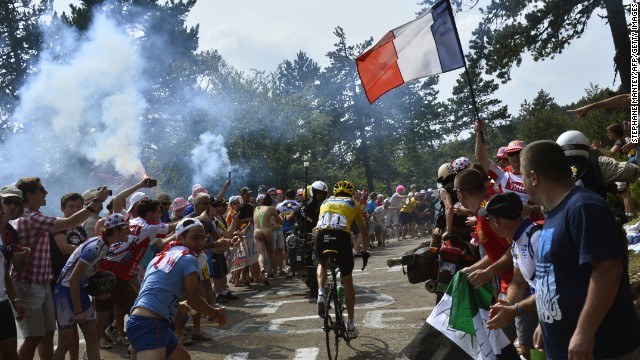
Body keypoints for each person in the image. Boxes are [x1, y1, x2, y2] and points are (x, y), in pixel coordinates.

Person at [521, 140, 640, 359]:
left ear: (534, 177)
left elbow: (608, 270)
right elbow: (559, 275)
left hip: (604, 348)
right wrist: (546, 323)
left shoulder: (582, 207)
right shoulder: (555, 212)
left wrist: (585, 331)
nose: (523, 183)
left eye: (523, 176)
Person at [11, 178, 109, 360]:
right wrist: (97, 200)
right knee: (34, 336)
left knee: (47, 332)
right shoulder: (30, 217)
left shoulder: (36, 215)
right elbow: (68, 223)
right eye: (42, 190)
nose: (46, 192)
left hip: (44, 282)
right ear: (30, 195)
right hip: (28, 283)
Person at [126, 218, 227, 359]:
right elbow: (194, 299)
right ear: (180, 237)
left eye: (202, 238)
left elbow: (152, 289)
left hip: (143, 320)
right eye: (195, 238)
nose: (200, 243)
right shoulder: (188, 259)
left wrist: (176, 304)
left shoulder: (160, 257)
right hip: (150, 325)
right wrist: (215, 314)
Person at [52, 213, 130, 360]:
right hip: (65, 291)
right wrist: (78, 310)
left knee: (92, 336)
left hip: (78, 290)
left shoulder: (105, 246)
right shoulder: (94, 248)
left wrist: (98, 293)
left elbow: (86, 276)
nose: (130, 231)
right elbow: (73, 280)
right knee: (65, 341)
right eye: (127, 228)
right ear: (116, 230)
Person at [479, 192, 541, 359]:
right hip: (544, 313)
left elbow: (550, 289)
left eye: (488, 219)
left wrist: (515, 309)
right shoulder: (516, 242)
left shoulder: (536, 238)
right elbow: (519, 282)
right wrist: (506, 305)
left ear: (496, 221)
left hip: (555, 318)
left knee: (530, 351)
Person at [315, 181, 370, 338]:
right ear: (351, 194)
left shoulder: (325, 201)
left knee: (322, 263)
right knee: (347, 281)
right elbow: (363, 232)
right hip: (341, 238)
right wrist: (364, 252)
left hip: (321, 236)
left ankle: (320, 293)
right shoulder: (354, 203)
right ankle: (351, 324)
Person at [0, 186, 28, 360]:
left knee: (10, 356)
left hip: (2, 302)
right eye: (7, 201)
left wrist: (16, 300)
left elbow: (7, 272)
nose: (12, 206)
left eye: (17, 204)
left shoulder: (12, 234)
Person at [253, 194, 283, 283]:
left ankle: (262, 268)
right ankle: (275, 273)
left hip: (257, 232)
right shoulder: (271, 209)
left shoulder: (256, 209)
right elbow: (280, 221)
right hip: (267, 231)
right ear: (270, 203)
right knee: (271, 253)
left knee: (261, 254)